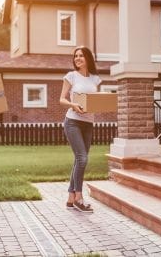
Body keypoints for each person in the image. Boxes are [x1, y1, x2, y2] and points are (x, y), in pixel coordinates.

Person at [59, 46, 101, 213]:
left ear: (88, 58)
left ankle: (70, 198)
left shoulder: (95, 79)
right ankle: (79, 197)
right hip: (73, 122)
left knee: (79, 160)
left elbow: (95, 100)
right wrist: (73, 105)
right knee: (82, 159)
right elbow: (61, 99)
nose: (77, 58)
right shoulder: (71, 76)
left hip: (88, 123)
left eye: (81, 56)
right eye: (75, 56)